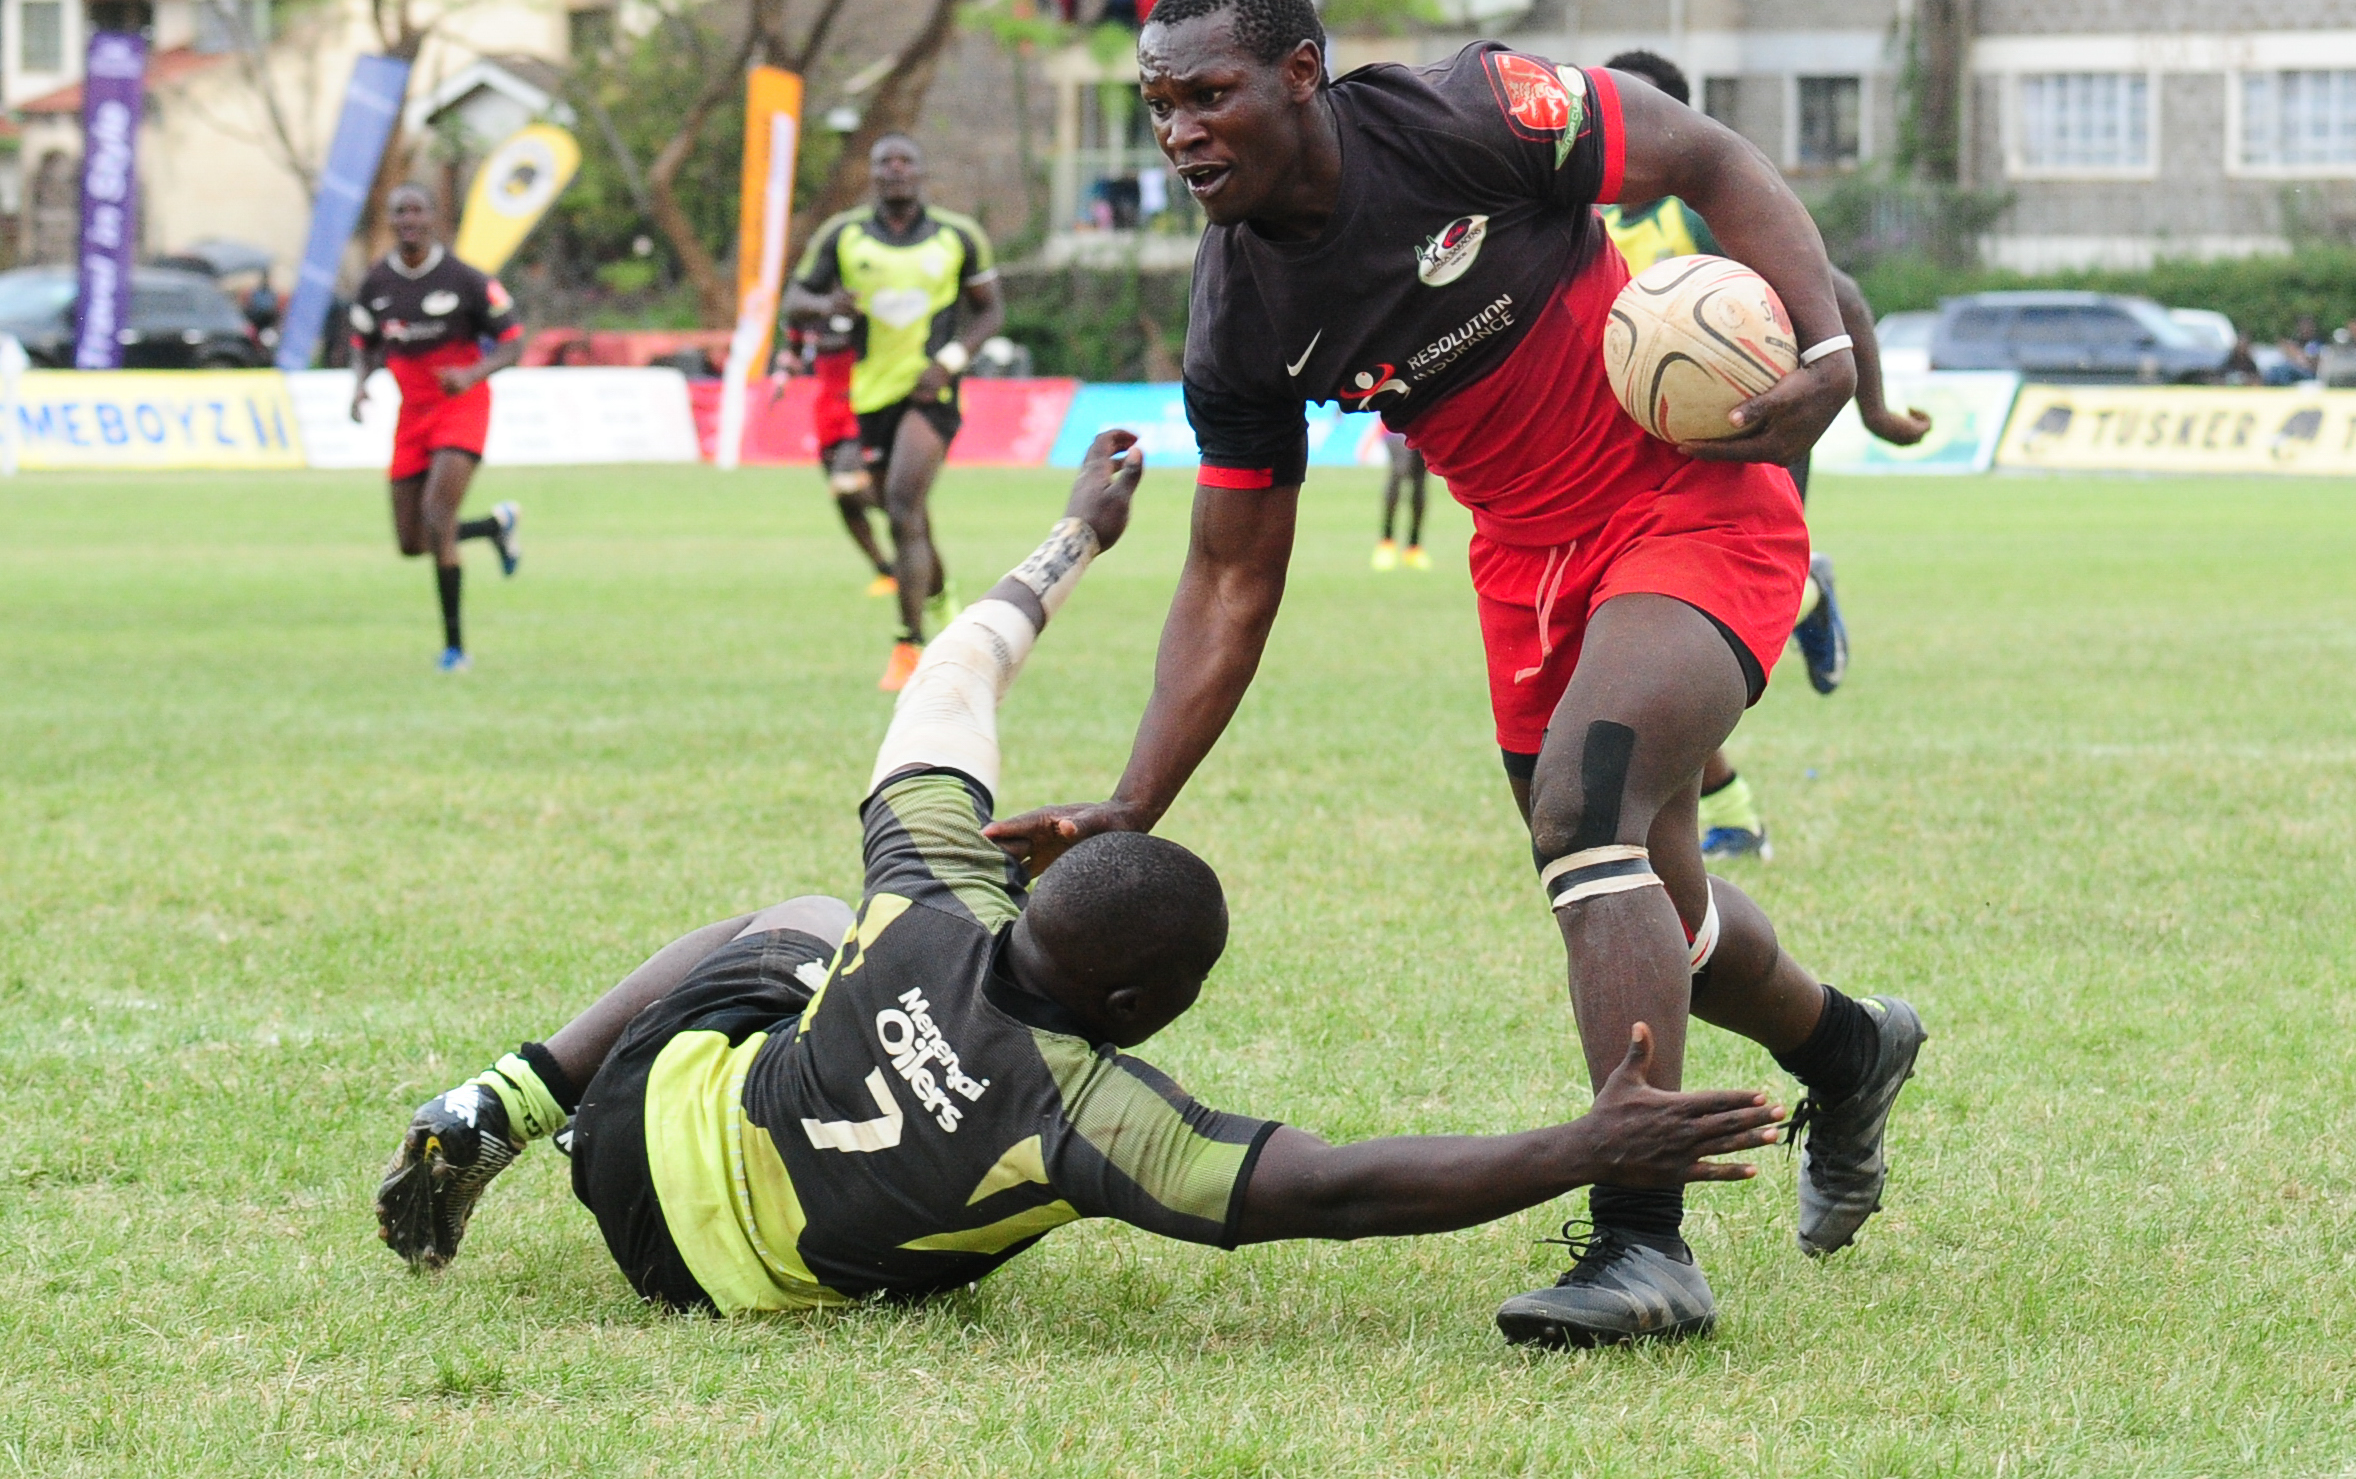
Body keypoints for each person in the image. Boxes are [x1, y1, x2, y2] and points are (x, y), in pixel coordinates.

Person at [984, 0, 1928, 1349]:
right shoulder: (1239, 315)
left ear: (1299, 74)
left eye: (1208, 95)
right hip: (1526, 572)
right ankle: (1848, 1048)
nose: (1179, 131)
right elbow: (1234, 573)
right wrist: (1136, 800)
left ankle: (1640, 1245)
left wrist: (1833, 352)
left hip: (1688, 500)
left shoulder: (1471, 112)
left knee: (1584, 820)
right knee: (1656, 913)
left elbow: (1712, 158)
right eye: (1159, 105)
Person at [373, 432, 1785, 1318]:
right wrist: (1585, 1151)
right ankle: (526, 1112)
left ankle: (504, 1102)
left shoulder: (936, 882)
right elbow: (1339, 1189)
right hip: (709, 1285)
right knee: (815, 948)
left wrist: (1075, 541)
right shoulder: (1091, 1113)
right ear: (1137, 1001)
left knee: (805, 927)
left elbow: (955, 675)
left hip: (631, 1138)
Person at [1597, 49, 1932, 861]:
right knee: (1636, 649)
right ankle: (1736, 810)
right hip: (1645, 454)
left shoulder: (1704, 211)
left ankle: (1798, 605)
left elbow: (1840, 296)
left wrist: (1876, 410)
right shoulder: (1584, 219)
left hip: (1756, 441)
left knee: (1689, 642)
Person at [782, 134, 1006, 692]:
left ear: (922, 171)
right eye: (885, 162)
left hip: (931, 392)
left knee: (904, 501)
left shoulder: (958, 236)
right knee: (900, 512)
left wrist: (950, 362)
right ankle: (938, 592)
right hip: (870, 393)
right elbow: (794, 301)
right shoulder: (844, 235)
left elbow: (990, 311)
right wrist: (825, 305)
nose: (896, 170)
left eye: (906, 160)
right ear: (874, 174)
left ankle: (909, 646)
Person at [348, 183, 526, 672]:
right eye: (399, 211)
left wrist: (470, 374)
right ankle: (495, 526)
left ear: (433, 218)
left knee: (437, 513)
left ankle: (455, 649)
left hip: (461, 405)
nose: (409, 219)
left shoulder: (465, 279)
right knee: (411, 541)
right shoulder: (376, 283)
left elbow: (513, 343)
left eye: (417, 210)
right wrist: (359, 386)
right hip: (412, 414)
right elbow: (362, 344)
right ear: (389, 220)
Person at [795, 313, 898, 596]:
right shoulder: (812, 310)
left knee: (845, 486)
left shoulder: (864, 308)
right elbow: (794, 335)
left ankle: (904, 513)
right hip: (828, 416)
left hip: (860, 406)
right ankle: (885, 571)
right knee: (845, 503)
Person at [1371, 428, 1429, 571]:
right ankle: (1386, 543)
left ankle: (1413, 547)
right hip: (1393, 423)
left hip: (1421, 424)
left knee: (1419, 480)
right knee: (1399, 469)